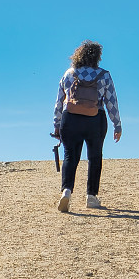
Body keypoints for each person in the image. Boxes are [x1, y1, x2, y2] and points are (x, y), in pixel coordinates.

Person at [52, 40, 122, 212]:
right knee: (95, 157)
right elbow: (111, 102)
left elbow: (59, 102)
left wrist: (57, 125)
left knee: (70, 156)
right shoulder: (104, 75)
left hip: (70, 119)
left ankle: (66, 192)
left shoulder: (69, 73)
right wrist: (117, 125)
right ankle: (91, 196)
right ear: (97, 57)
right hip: (95, 118)